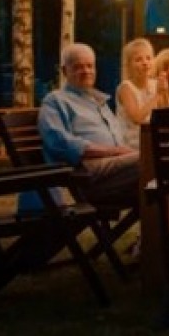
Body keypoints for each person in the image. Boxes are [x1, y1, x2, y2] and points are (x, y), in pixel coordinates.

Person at [23, 43, 139, 212]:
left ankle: (163, 235)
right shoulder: (56, 101)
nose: (86, 71)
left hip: (115, 172)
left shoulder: (100, 102)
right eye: (78, 67)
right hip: (85, 177)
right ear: (64, 71)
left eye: (89, 66)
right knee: (151, 161)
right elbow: (58, 142)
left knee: (163, 174)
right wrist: (115, 152)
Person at [116, 38, 160, 150]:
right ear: (129, 65)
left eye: (148, 58)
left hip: (153, 136)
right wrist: (158, 95)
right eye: (138, 60)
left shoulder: (156, 84)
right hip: (132, 141)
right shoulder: (126, 87)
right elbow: (137, 118)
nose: (145, 63)